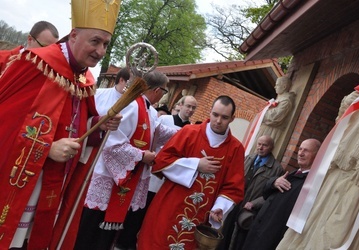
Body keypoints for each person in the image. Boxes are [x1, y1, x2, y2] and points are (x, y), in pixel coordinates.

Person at [0, 0, 122, 249]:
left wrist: (98, 125)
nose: (100, 51)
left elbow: (77, 124)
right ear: (74, 35)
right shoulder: (35, 63)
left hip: (54, 184)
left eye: (106, 44)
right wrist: (48, 147)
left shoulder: (85, 78)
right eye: (95, 41)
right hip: (23, 182)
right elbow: (5, 122)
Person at [277, 34, 359, 249]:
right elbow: (343, 125)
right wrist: (347, 105)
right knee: (313, 218)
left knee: (336, 227)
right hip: (339, 163)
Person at [74, 68, 177, 250]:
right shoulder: (131, 105)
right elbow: (111, 144)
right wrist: (142, 156)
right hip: (108, 181)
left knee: (105, 238)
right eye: (165, 91)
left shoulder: (149, 111)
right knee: (90, 235)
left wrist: (189, 133)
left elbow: (157, 132)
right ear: (157, 91)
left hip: (124, 181)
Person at [137, 95, 245, 250]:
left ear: (232, 119)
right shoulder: (189, 132)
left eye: (224, 117)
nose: (218, 121)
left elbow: (233, 187)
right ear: (210, 112)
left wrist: (220, 207)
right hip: (170, 205)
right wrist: (195, 165)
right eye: (215, 115)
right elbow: (161, 160)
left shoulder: (236, 149)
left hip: (201, 216)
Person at [241, 139, 321, 250]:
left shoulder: (311, 183)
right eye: (300, 149)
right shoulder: (293, 173)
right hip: (257, 231)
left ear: (318, 155)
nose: (301, 153)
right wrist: (273, 182)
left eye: (306, 151)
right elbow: (265, 194)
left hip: (271, 239)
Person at [219, 135, 284, 250]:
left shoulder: (276, 168)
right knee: (224, 234)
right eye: (259, 144)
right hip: (235, 203)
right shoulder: (248, 158)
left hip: (250, 210)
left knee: (238, 241)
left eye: (265, 145)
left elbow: (271, 195)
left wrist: (254, 203)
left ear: (271, 148)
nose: (260, 147)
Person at [244, 76, 296, 155]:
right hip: (265, 128)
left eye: (277, 85)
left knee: (258, 151)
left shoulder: (286, 100)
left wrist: (264, 113)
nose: (275, 87)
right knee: (252, 149)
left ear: (284, 86)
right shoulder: (280, 98)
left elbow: (275, 117)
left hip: (270, 130)